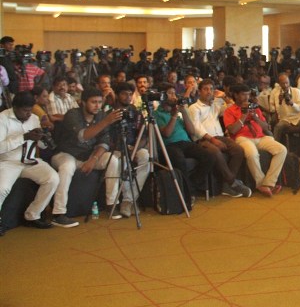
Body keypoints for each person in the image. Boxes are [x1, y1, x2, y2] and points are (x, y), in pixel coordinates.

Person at [50, 88, 126, 227]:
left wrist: (93, 159)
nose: (97, 105)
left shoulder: (101, 115)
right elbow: (83, 136)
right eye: (93, 102)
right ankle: (58, 213)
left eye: (100, 102)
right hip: (66, 154)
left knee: (112, 160)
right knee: (67, 167)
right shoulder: (72, 114)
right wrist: (106, 121)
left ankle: (112, 204)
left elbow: (104, 143)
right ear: (83, 102)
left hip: (89, 155)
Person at [0, 91, 60, 235]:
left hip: (30, 160)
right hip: (9, 161)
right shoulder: (2, 118)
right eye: (25, 110)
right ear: (15, 107)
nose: (28, 114)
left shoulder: (34, 118)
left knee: (52, 178)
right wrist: (24, 137)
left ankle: (33, 215)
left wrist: (44, 139)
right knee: (2, 188)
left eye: (30, 110)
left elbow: (40, 146)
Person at [187, 79, 251, 198]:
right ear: (199, 91)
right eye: (205, 89)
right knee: (215, 151)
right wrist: (212, 140)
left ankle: (227, 185)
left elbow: (230, 107)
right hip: (203, 140)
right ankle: (232, 182)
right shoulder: (194, 107)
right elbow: (196, 128)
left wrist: (224, 96)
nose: (209, 92)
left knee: (238, 150)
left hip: (220, 136)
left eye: (211, 89)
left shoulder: (215, 105)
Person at [154, 83, 216, 202]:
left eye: (174, 93)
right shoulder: (157, 114)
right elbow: (167, 133)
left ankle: (190, 186)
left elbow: (191, 131)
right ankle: (188, 192)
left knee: (209, 156)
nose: (174, 96)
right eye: (170, 93)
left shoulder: (178, 111)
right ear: (162, 96)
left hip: (185, 143)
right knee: (179, 159)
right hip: (169, 145)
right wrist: (173, 116)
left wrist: (183, 112)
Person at [224, 84, 287, 197]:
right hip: (242, 138)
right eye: (243, 94)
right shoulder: (229, 110)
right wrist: (244, 115)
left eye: (248, 94)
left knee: (282, 150)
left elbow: (266, 127)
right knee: (252, 154)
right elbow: (232, 130)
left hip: (260, 137)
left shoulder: (255, 108)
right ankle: (261, 184)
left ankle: (268, 183)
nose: (246, 97)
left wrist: (255, 117)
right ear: (236, 95)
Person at [112, 82, 150, 217]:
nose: (128, 97)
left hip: (135, 147)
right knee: (123, 161)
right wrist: (125, 149)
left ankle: (129, 199)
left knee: (145, 156)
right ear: (117, 95)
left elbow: (144, 136)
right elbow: (108, 137)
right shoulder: (110, 113)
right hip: (117, 148)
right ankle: (129, 201)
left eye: (130, 94)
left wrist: (135, 148)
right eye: (124, 94)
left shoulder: (136, 113)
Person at [270, 73, 300, 143]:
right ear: (279, 84)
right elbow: (279, 113)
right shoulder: (277, 94)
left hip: (298, 118)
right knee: (278, 127)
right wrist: (280, 102)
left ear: (289, 82)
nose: (285, 85)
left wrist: (292, 104)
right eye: (283, 83)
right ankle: (275, 145)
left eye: (287, 83)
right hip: (285, 119)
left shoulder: (296, 91)